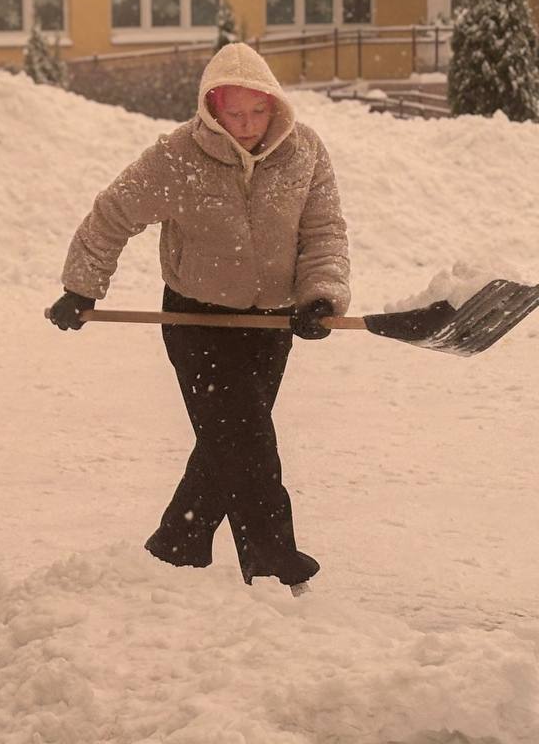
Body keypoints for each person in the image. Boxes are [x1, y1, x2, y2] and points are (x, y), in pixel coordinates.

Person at [48, 42, 350, 595]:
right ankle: (275, 561)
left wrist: (320, 298)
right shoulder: (177, 157)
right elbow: (113, 213)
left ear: (274, 104)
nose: (248, 124)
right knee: (247, 438)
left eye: (258, 111)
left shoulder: (303, 151)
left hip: (271, 325)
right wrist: (80, 287)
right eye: (234, 113)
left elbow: (324, 230)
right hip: (199, 322)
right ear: (211, 108)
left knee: (226, 441)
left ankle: (176, 546)